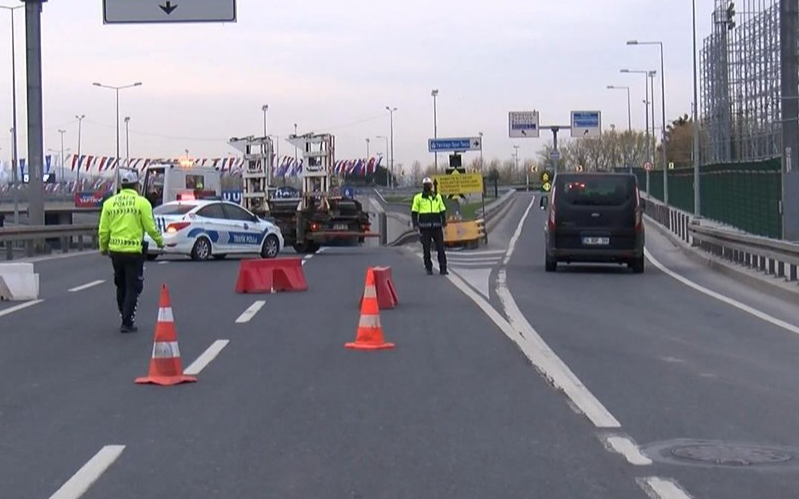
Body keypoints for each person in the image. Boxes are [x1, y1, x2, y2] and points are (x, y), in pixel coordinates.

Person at [98, 170, 164, 333]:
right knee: (134, 286)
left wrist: (103, 247)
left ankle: (124, 314)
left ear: (121, 185)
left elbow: (103, 230)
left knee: (121, 285)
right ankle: (127, 321)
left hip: (116, 251)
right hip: (134, 252)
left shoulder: (109, 204)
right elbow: (150, 226)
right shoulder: (142, 203)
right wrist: (160, 242)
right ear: (136, 185)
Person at [411, 177, 448, 275]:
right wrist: (415, 224)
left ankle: (443, 268)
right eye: (426, 185)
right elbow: (414, 212)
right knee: (426, 249)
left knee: (440, 248)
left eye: (429, 185)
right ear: (423, 186)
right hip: (425, 227)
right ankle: (428, 268)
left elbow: (442, 210)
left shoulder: (437, 196)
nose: (427, 186)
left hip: (436, 226)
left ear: (431, 186)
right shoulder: (418, 197)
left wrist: (444, 221)